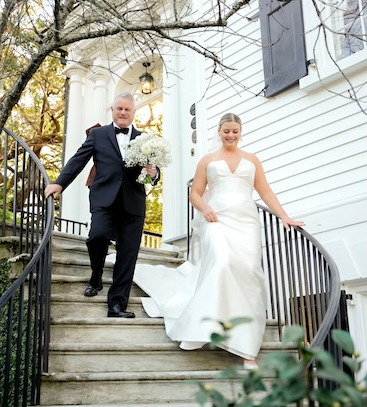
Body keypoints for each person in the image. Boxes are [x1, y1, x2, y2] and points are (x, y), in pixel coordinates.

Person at [134, 113, 304, 368]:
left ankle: (247, 349)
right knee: (222, 264)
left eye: (235, 131)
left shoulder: (252, 160)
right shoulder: (208, 160)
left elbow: (265, 190)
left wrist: (284, 216)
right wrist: (205, 208)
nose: (231, 136)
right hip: (216, 221)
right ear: (219, 130)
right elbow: (195, 193)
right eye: (226, 131)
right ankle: (205, 325)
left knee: (248, 277)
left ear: (241, 131)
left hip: (246, 224)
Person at [45, 92, 160, 318]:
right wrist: (59, 184)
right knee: (97, 236)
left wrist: (154, 173)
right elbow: (79, 159)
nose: (123, 112)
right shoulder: (98, 134)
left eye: (127, 109)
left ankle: (117, 305)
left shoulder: (145, 139)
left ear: (134, 112)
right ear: (113, 110)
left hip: (133, 202)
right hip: (103, 198)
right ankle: (96, 274)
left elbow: (152, 175)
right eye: (119, 108)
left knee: (127, 254)